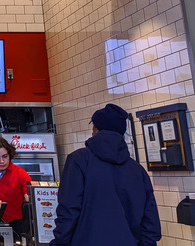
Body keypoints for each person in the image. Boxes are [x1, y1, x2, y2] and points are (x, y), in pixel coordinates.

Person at [50, 104, 161, 246]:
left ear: (96, 129)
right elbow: (150, 224)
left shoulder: (79, 161)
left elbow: (69, 212)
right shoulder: (138, 171)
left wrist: (58, 243)